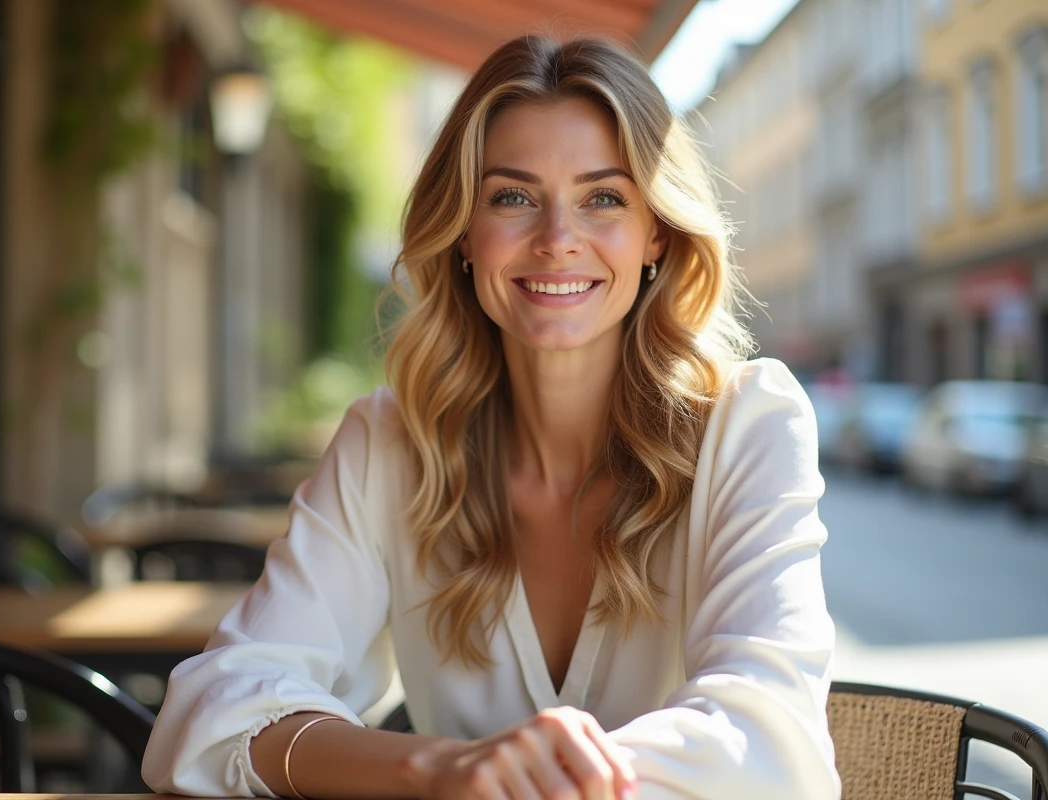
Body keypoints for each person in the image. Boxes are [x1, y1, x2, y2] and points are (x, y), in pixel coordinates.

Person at [143, 34, 839, 800]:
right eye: (513, 197)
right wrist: (439, 768)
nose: (557, 240)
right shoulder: (390, 445)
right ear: (465, 235)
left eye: (604, 198)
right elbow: (205, 717)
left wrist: (530, 779)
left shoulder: (748, 425)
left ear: (657, 234)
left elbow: (776, 745)